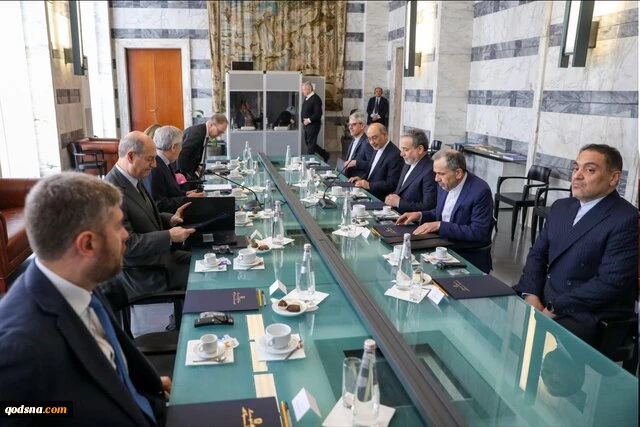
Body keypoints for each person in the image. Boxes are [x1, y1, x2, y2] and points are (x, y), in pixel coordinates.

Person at [0, 172, 169, 425]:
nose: (126, 235)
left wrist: (134, 387)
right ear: (88, 244)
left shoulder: (83, 279)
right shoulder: (20, 349)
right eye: (118, 226)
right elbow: (24, 411)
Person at [514, 144, 638, 346]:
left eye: (589, 170)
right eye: (575, 168)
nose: (577, 176)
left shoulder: (625, 218)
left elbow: (610, 283)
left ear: (613, 178)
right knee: (493, 313)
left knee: (550, 350)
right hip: (545, 296)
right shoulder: (561, 207)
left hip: (587, 311)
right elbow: (537, 254)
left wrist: (554, 307)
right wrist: (531, 294)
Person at [104, 131, 195, 298]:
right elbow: (127, 245)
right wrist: (169, 236)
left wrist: (170, 219)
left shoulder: (133, 178)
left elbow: (144, 214)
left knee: (207, 261)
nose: (154, 165)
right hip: (145, 273)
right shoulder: (111, 193)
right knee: (206, 276)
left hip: (161, 258)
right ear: (131, 156)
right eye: (150, 159)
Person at [396, 149, 494, 273]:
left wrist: (439, 225)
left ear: (458, 173)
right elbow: (442, 213)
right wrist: (420, 215)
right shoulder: (444, 183)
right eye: (435, 173)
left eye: (441, 173)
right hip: (441, 248)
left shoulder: (480, 191)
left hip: (467, 256)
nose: (436, 179)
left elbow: (478, 232)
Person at [143, 125, 204, 213]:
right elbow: (158, 204)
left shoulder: (166, 162)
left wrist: (186, 194)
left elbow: (170, 192)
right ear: (174, 147)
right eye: (181, 145)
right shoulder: (155, 167)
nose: (181, 149)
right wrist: (186, 199)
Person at [384, 129, 437, 213]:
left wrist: (399, 203)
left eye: (405, 149)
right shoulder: (408, 162)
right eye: (401, 149)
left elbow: (428, 206)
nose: (401, 154)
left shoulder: (430, 170)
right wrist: (390, 197)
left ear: (420, 149)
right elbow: (400, 191)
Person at [348, 123, 403, 201]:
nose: (371, 142)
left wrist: (369, 185)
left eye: (374, 138)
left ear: (385, 135)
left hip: (380, 200)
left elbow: (392, 184)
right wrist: (362, 179)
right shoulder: (377, 147)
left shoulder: (395, 155)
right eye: (369, 139)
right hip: (368, 194)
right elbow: (372, 172)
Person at [177, 113, 228, 180]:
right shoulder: (197, 133)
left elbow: (192, 154)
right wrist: (183, 178)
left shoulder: (202, 131)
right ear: (211, 124)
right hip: (182, 176)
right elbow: (181, 155)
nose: (220, 135)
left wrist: (196, 166)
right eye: (219, 131)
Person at [301, 81, 330, 162]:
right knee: (309, 143)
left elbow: (318, 113)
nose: (303, 91)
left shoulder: (316, 99)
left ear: (310, 89)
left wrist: (308, 120)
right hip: (306, 125)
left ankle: (308, 163)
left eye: (304, 89)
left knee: (311, 146)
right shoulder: (307, 98)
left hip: (313, 125)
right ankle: (325, 154)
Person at [343, 111, 374, 178]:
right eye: (349, 125)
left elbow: (373, 165)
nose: (350, 127)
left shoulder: (367, 142)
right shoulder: (353, 140)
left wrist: (356, 163)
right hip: (347, 178)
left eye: (353, 124)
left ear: (362, 126)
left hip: (358, 181)